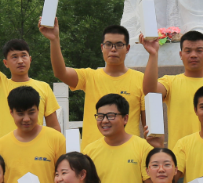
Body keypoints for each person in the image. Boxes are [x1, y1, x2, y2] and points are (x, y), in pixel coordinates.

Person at [40, 19, 145, 150]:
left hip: (129, 153)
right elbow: (60, 73)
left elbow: (148, 125)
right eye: (108, 44)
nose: (113, 49)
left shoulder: (141, 79)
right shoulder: (90, 76)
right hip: (92, 155)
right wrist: (54, 39)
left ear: (127, 48)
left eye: (119, 45)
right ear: (102, 48)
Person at [0, 9, 61, 138]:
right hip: (4, 149)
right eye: (14, 57)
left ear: (30, 59)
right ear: (6, 63)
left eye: (24, 56)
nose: (20, 61)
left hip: (35, 147)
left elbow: (53, 126)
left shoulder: (44, 87)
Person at [140, 30, 203, 149]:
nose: (193, 55)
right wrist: (153, 54)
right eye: (188, 51)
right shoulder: (170, 82)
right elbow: (150, 92)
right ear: (181, 55)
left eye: (199, 50)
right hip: (179, 154)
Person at [0, 86, 66, 183]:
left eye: (31, 112)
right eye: (20, 113)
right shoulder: (1, 144)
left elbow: (66, 182)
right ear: (11, 112)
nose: (26, 119)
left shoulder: (56, 139)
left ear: (38, 110)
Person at [84, 94, 152, 183]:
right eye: (100, 116)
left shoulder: (143, 147)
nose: (104, 121)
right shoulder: (89, 151)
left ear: (125, 118)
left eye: (111, 116)